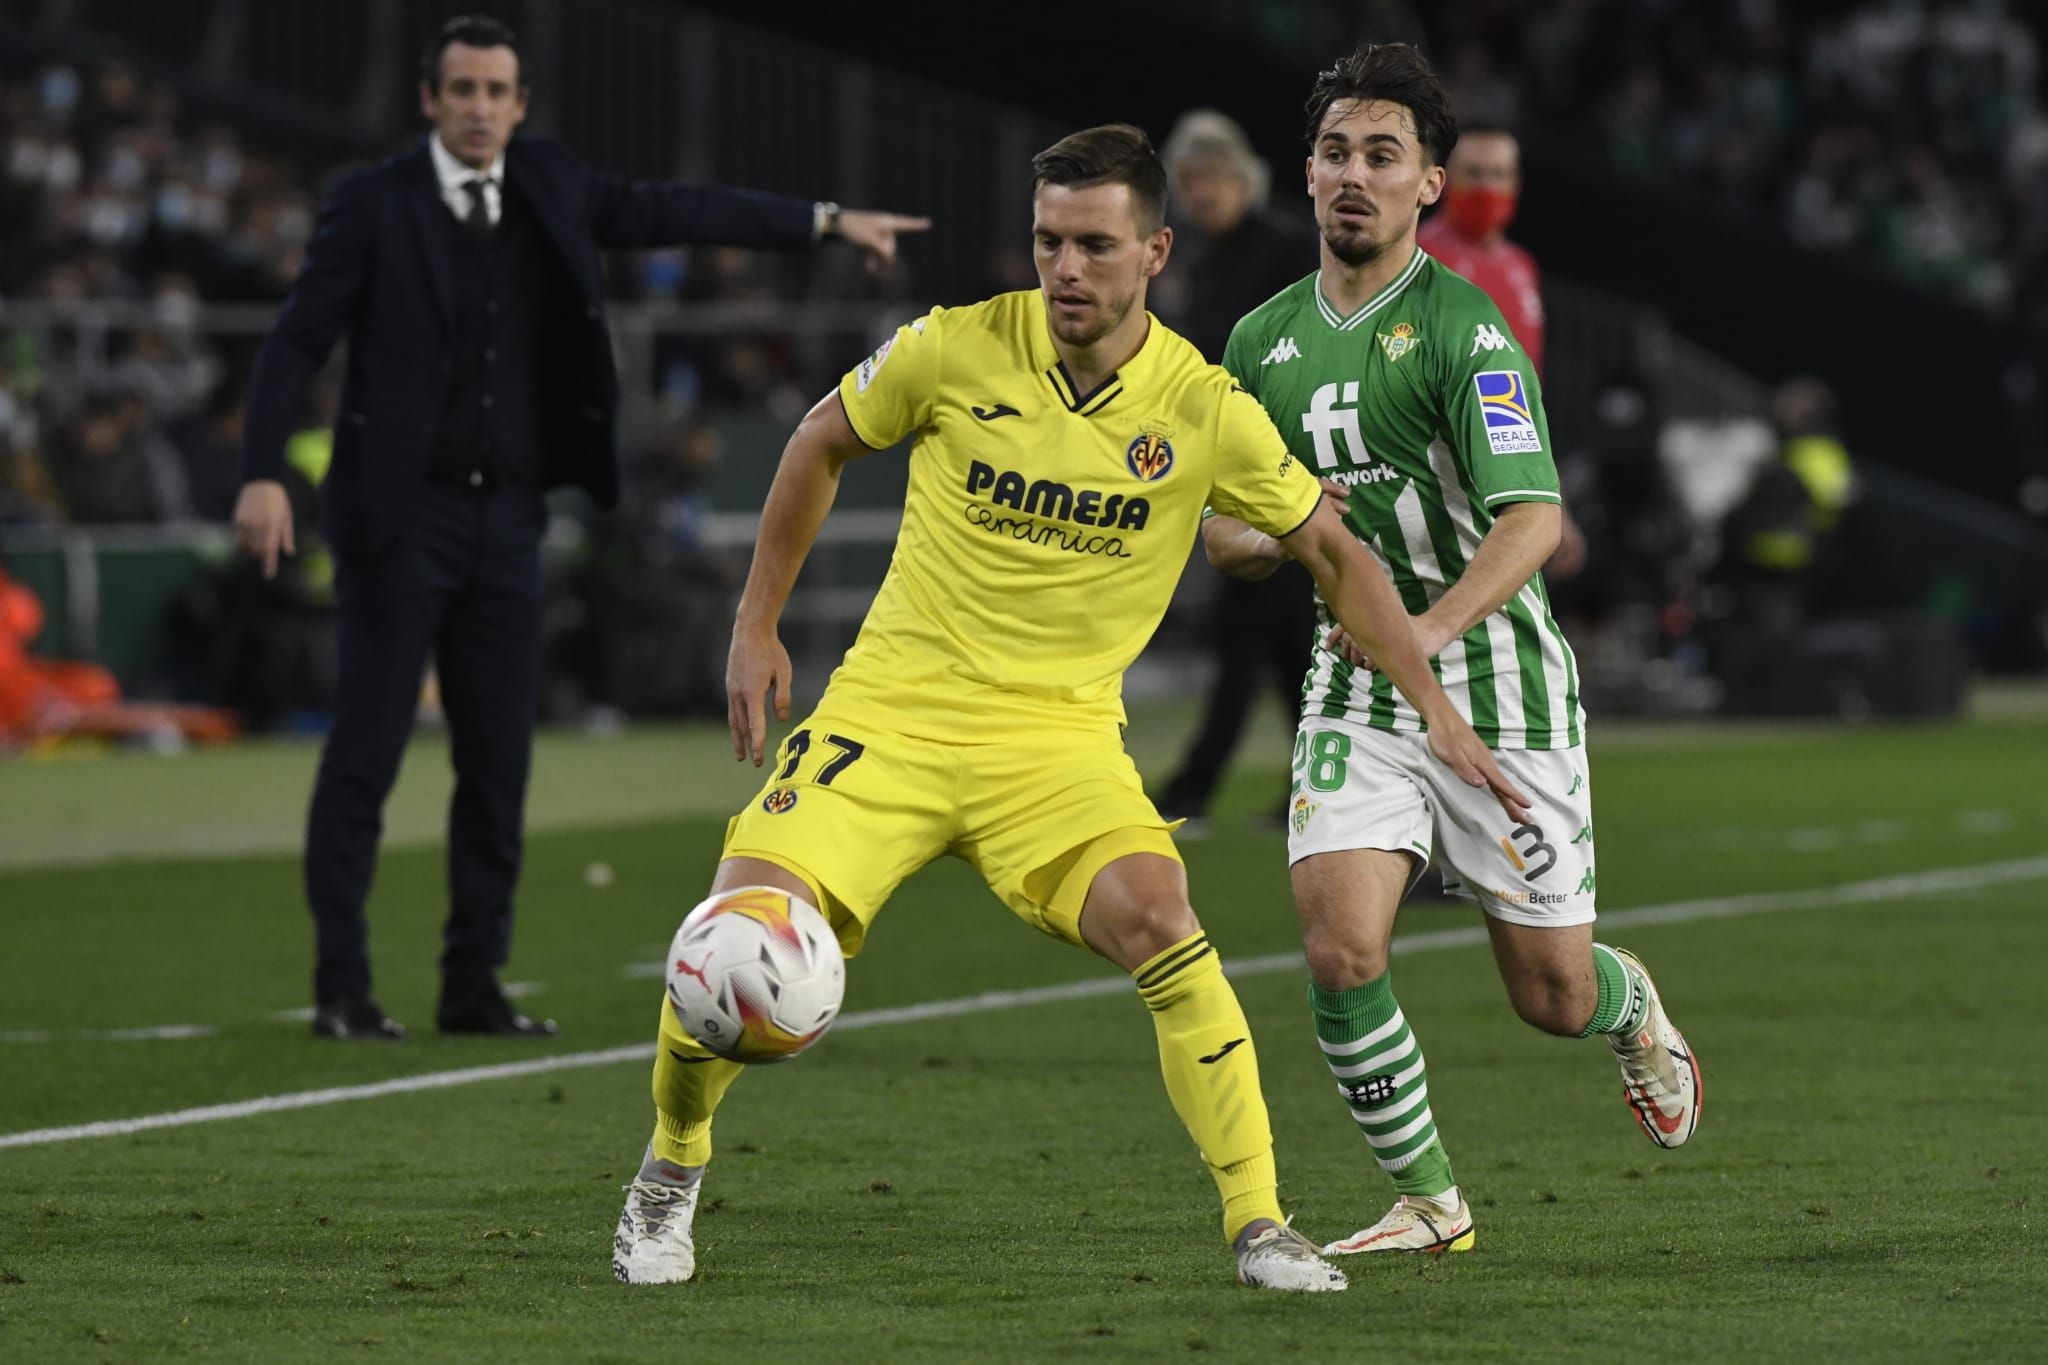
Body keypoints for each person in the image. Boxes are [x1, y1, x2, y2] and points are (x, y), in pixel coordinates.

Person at [609, 123, 1527, 1294]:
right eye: (1048, 241)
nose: (1064, 270)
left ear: (1153, 252)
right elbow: (818, 440)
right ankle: (667, 1176)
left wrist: (1434, 706)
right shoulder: (952, 348)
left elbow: (1331, 553)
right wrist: (755, 623)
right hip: (887, 718)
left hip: (1054, 743)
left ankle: (1259, 1224)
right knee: (733, 939)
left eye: (1094, 245)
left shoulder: (1199, 405)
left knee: (1161, 915)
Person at [232, 14, 929, 1042]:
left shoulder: (550, 182)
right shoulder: (370, 206)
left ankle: (473, 983)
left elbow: (673, 209)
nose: (478, 108)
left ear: (519, 105)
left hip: (508, 519)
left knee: (498, 763)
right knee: (364, 757)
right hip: (398, 523)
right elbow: (296, 343)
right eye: (460, 90)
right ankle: (343, 988)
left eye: (495, 92)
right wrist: (261, 474)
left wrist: (824, 221)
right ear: (430, 101)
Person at [1199, 43, 1702, 1260]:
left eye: (1382, 156)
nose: (1351, 178)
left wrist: (1422, 632)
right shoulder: (1256, 341)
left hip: (1498, 683)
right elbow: (1214, 532)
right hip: (1354, 681)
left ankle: (1629, 1009)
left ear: (1428, 184)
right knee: (1338, 941)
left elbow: (1536, 517)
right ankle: (1429, 1201)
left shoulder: (1466, 331)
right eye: (1333, 154)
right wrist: (1271, 532)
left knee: (1550, 997)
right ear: (1306, 175)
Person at [1152, 111, 1319, 831]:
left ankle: (1194, 786)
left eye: (1210, 177)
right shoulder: (1209, 261)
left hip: (1278, 467)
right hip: (1232, 467)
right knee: (1283, 648)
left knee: (1246, 637)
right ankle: (1309, 787)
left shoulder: (1284, 250)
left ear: (1241, 176)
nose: (1200, 193)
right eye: (1189, 182)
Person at [1417, 121, 1586, 578]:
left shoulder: (1521, 266)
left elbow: (1527, 391)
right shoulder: (1415, 256)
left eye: (1498, 173)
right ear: (1443, 178)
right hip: (1435, 482)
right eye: (1473, 172)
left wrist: (1551, 497)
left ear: (1516, 182)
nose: (1487, 186)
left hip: (1505, 477)